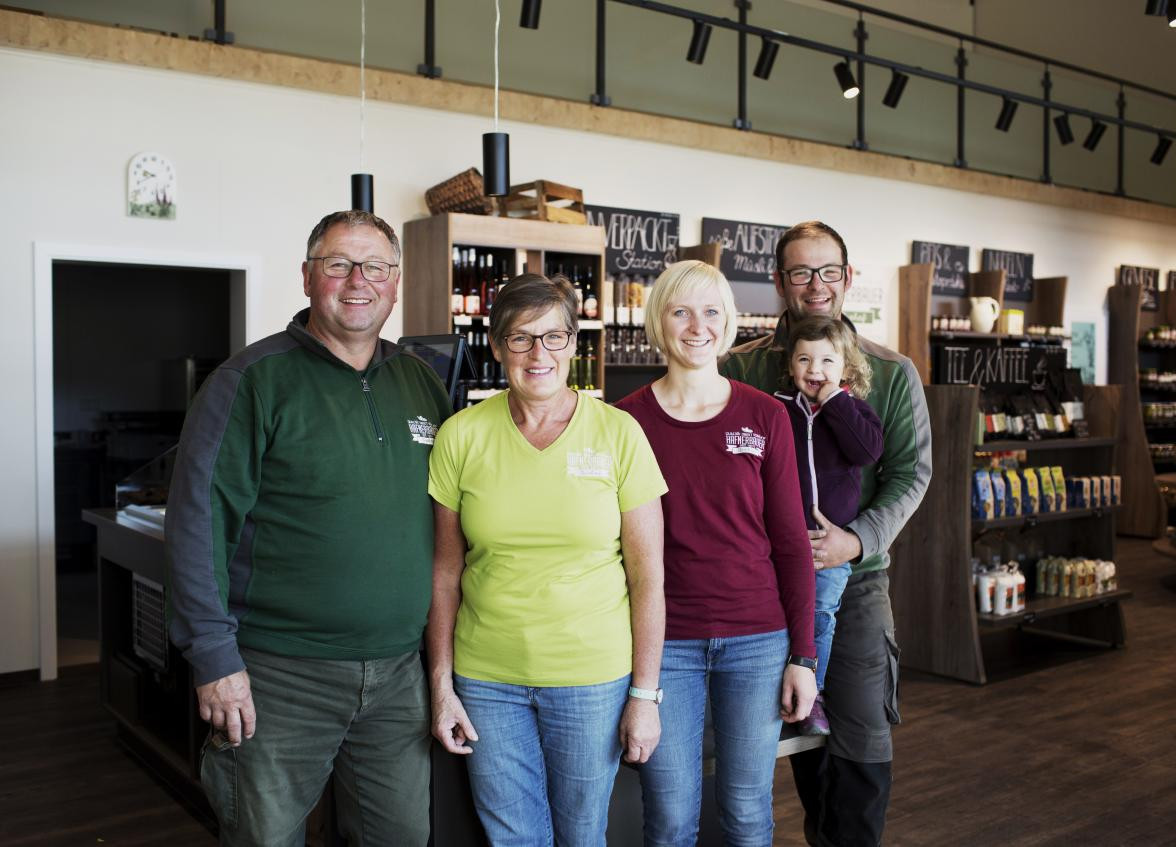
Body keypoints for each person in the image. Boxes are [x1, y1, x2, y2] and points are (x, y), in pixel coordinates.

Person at [165, 210, 452, 846]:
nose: (359, 280)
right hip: (277, 676)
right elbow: (196, 523)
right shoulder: (251, 381)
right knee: (265, 838)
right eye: (338, 264)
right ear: (307, 277)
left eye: (375, 266)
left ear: (396, 282)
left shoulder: (422, 384)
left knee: (400, 837)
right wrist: (213, 657)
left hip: (399, 677)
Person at [425, 273, 667, 847]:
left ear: (574, 344)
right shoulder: (461, 437)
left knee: (583, 835)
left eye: (554, 337)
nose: (539, 353)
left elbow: (649, 579)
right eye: (521, 338)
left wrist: (644, 696)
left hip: (591, 680)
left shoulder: (618, 434)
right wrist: (442, 686)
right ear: (497, 345)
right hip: (487, 680)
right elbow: (444, 575)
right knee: (512, 838)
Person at [721, 221, 932, 847]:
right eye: (801, 273)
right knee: (799, 725)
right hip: (763, 588)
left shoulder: (891, 372)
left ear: (848, 278)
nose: (816, 285)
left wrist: (856, 540)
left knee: (863, 725)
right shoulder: (744, 367)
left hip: (856, 580)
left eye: (828, 272)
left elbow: (910, 475)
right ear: (779, 281)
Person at [615, 259, 817, 847]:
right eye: (681, 311)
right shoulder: (625, 422)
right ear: (659, 322)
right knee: (671, 817)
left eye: (711, 312)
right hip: (664, 647)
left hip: (757, 642)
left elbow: (791, 544)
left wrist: (802, 656)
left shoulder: (765, 414)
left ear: (728, 324)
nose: (696, 326)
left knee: (748, 814)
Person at [773, 315, 883, 737]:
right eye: (804, 359)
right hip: (783, 542)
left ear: (846, 368)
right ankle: (780, 691)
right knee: (781, 618)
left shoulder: (856, 412)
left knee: (820, 614)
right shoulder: (778, 408)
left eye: (826, 361)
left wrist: (837, 401)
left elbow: (866, 452)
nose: (814, 370)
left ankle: (812, 694)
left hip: (828, 546)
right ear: (791, 366)